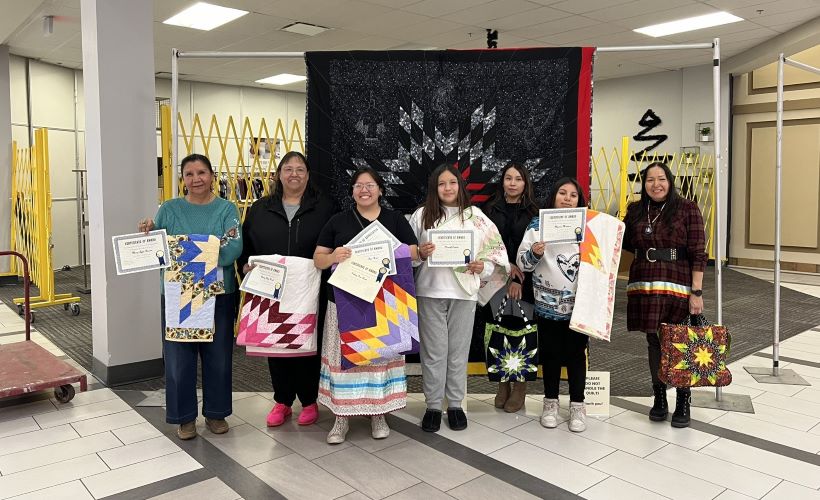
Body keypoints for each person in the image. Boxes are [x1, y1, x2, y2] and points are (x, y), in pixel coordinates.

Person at [138, 153, 242, 441]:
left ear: (212, 175)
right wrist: (148, 234)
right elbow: (158, 252)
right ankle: (184, 418)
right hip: (177, 295)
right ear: (182, 179)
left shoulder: (226, 209)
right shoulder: (168, 210)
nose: (196, 179)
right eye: (189, 174)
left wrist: (183, 249)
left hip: (219, 294)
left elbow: (232, 248)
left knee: (218, 357)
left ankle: (216, 413)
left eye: (202, 173)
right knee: (179, 359)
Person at [313, 166, 418, 444]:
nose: (364, 190)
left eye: (370, 185)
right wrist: (334, 255)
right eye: (359, 185)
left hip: (385, 306)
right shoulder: (338, 221)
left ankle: (379, 413)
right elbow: (318, 259)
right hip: (344, 303)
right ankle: (341, 418)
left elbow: (414, 252)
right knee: (345, 360)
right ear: (352, 191)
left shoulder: (394, 220)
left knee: (379, 359)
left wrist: (413, 251)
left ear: (380, 190)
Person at [238, 151, 335, 428]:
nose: (294, 174)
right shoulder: (260, 208)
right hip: (271, 289)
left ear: (308, 175)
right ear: (279, 175)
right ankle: (282, 401)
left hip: (309, 289)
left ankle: (308, 400)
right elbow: (247, 247)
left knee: (307, 345)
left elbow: (335, 243)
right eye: (288, 169)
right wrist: (245, 265)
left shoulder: (325, 207)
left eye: (300, 169)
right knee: (275, 343)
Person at [410, 164, 509, 433]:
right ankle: (432, 405)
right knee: (433, 353)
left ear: (460, 185)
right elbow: (407, 255)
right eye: (442, 184)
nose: (448, 188)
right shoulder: (421, 216)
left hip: (463, 292)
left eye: (452, 183)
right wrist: (421, 253)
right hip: (429, 291)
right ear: (435, 187)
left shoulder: (475, 217)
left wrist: (483, 268)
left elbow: (496, 256)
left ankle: (454, 404)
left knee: (457, 352)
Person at [623, 161, 707, 428]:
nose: (655, 184)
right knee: (654, 342)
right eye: (649, 180)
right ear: (643, 183)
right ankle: (659, 398)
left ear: (670, 181)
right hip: (645, 285)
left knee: (679, 341)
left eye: (661, 179)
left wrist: (697, 292)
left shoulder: (686, 208)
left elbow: (698, 251)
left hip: (677, 282)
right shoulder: (635, 210)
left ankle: (683, 399)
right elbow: (621, 243)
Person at [518, 177, 588, 432]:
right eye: (562, 193)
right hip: (547, 305)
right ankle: (550, 403)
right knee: (551, 355)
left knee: (577, 356)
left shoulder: (587, 229)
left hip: (579, 306)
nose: (567, 198)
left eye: (573, 195)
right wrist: (535, 252)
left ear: (579, 201)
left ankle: (578, 405)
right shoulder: (537, 226)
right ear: (553, 196)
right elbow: (523, 264)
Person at [480, 162, 540, 412]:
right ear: (502, 181)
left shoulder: (536, 212)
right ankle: (502, 383)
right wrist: (505, 275)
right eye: (508, 178)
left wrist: (517, 278)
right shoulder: (489, 209)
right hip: (494, 281)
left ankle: (520, 387)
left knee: (521, 334)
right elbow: (484, 245)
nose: (512, 183)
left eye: (518, 179)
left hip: (525, 282)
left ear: (526, 183)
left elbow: (536, 249)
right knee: (498, 333)